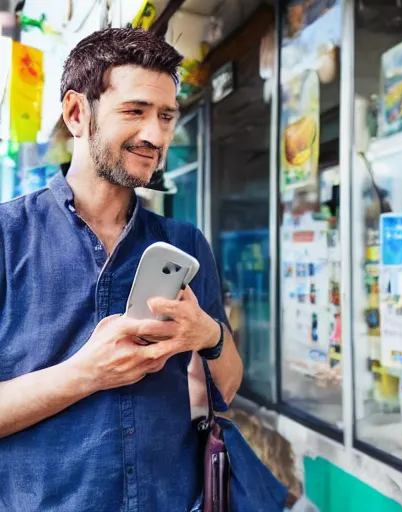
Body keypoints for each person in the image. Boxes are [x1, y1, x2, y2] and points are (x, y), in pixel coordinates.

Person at [0, 28, 243, 511]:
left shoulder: (183, 244)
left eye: (167, 116)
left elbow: (230, 384)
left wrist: (208, 335)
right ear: (77, 113)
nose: (155, 135)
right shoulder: (8, 238)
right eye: (134, 111)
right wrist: (86, 373)